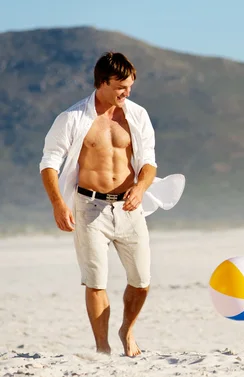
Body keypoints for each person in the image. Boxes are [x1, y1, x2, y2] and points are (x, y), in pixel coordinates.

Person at [39, 52, 184, 357]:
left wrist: (141, 188)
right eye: (121, 87)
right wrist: (57, 203)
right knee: (95, 281)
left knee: (142, 281)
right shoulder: (73, 117)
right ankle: (102, 348)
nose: (126, 93)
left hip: (129, 207)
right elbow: (49, 163)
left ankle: (127, 331)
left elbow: (148, 162)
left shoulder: (136, 115)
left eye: (130, 86)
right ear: (102, 82)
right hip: (89, 208)